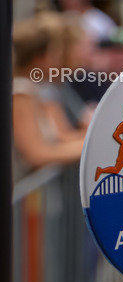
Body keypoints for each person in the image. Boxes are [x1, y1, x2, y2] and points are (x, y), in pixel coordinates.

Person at [12, 18, 84, 181]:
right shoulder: (21, 92)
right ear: (39, 58)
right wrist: (89, 146)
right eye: (53, 55)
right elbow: (36, 154)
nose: (57, 61)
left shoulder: (30, 91)